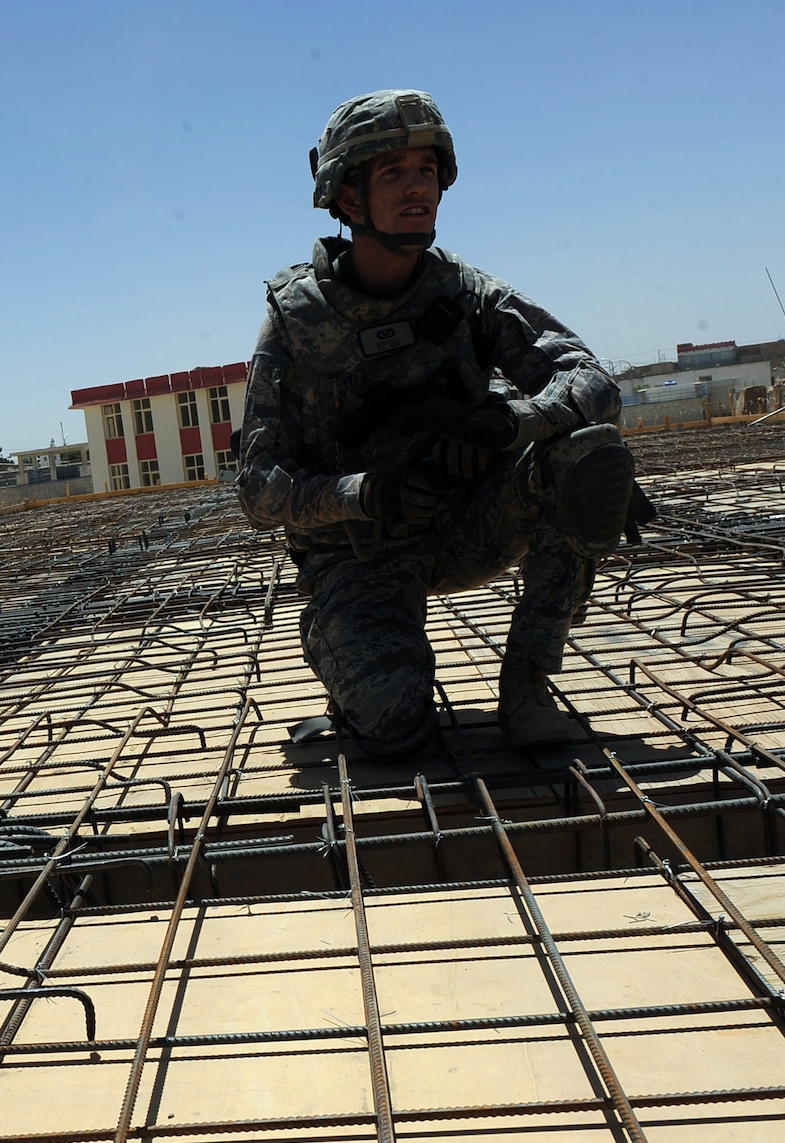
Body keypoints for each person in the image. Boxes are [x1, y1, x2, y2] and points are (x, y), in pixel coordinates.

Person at [235, 89, 644, 754]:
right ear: (347, 197)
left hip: (467, 525)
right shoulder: (296, 321)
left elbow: (593, 383)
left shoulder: (466, 293)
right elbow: (257, 489)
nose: (416, 188)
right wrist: (363, 492)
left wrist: (510, 424)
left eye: (425, 169)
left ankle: (529, 681)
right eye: (392, 173)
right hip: (361, 551)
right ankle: (348, 666)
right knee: (396, 731)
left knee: (586, 453)